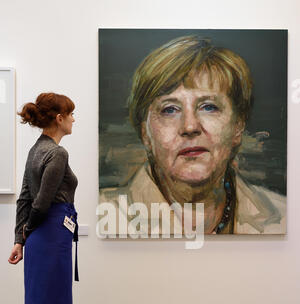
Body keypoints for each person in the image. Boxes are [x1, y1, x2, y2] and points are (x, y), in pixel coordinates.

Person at [99, 36, 286, 236]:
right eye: (170, 109)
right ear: (145, 134)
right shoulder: (102, 215)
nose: (189, 126)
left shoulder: (284, 217)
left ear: (237, 127)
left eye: (209, 107)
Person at [8, 92, 78, 304]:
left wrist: (19, 240)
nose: (74, 118)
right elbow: (39, 203)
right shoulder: (57, 153)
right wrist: (26, 233)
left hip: (41, 241)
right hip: (49, 238)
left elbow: (24, 198)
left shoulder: (36, 149)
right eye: (71, 114)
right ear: (58, 118)